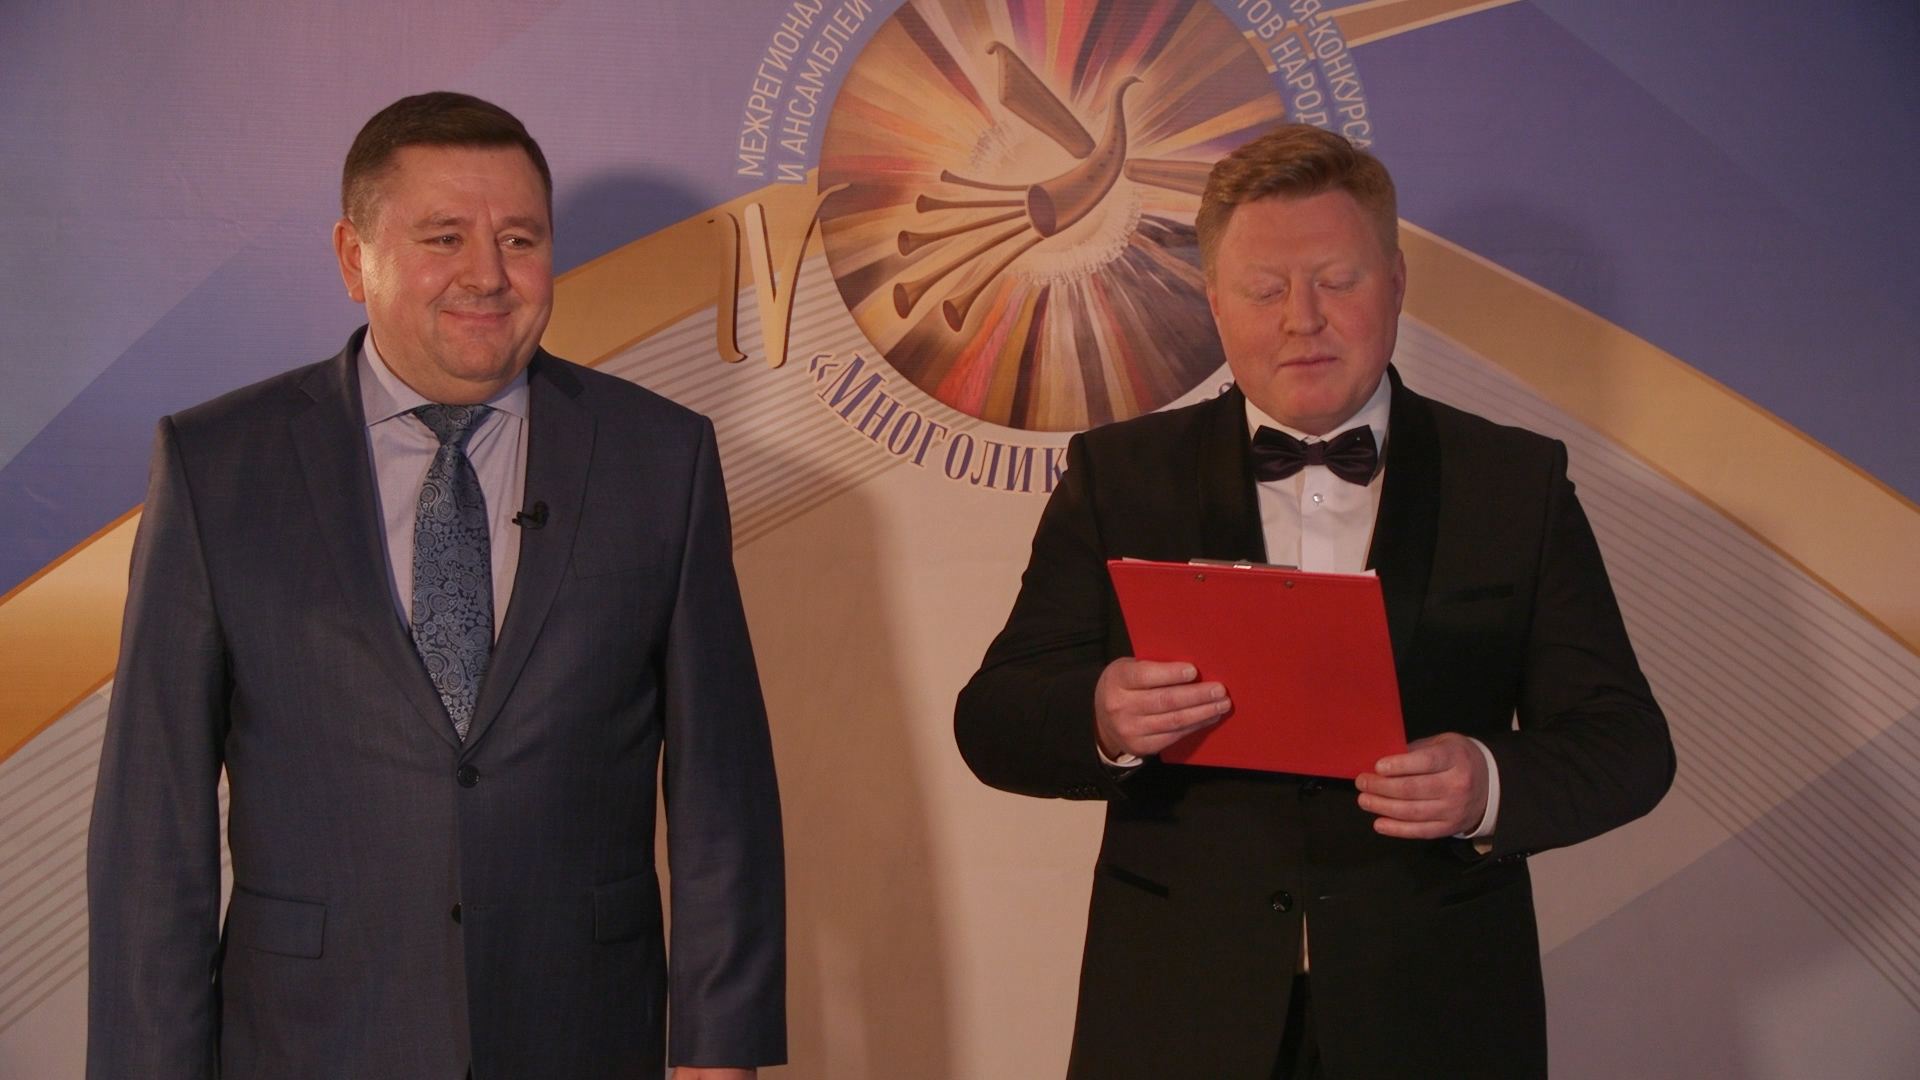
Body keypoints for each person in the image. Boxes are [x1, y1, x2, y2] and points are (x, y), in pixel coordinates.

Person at [86, 92, 785, 1080]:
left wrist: (722, 1045)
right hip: (308, 1044)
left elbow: (724, 793)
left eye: (519, 239)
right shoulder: (217, 467)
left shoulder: (661, 459)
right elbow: (151, 823)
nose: (487, 276)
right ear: (353, 257)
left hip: (581, 1034)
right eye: (444, 238)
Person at [954, 124, 1675, 1080]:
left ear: (1396, 283)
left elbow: (1627, 744)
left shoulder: (1515, 483)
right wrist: (1102, 715)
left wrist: (1487, 783)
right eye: (1265, 290)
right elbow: (993, 718)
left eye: (1336, 280)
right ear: (1214, 302)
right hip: (1176, 1019)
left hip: (1438, 1019)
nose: (1303, 319)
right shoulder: (1119, 478)